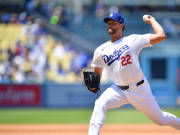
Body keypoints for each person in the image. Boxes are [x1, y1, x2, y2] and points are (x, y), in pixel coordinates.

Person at [88, 12, 180, 135]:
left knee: (161, 119)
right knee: (100, 103)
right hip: (118, 90)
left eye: (113, 23)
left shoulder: (132, 40)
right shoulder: (100, 50)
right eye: (109, 23)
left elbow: (161, 36)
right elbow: (97, 71)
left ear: (121, 25)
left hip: (139, 89)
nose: (110, 25)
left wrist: (152, 20)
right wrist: (94, 82)